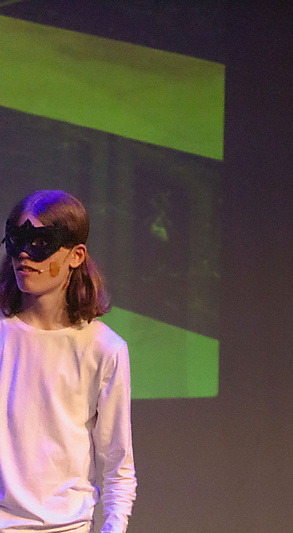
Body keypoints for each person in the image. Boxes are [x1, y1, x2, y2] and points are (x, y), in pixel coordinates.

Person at [0, 190, 136, 532]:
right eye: (17, 241)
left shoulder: (104, 349)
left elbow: (117, 466)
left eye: (41, 243)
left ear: (76, 255)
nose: (24, 254)